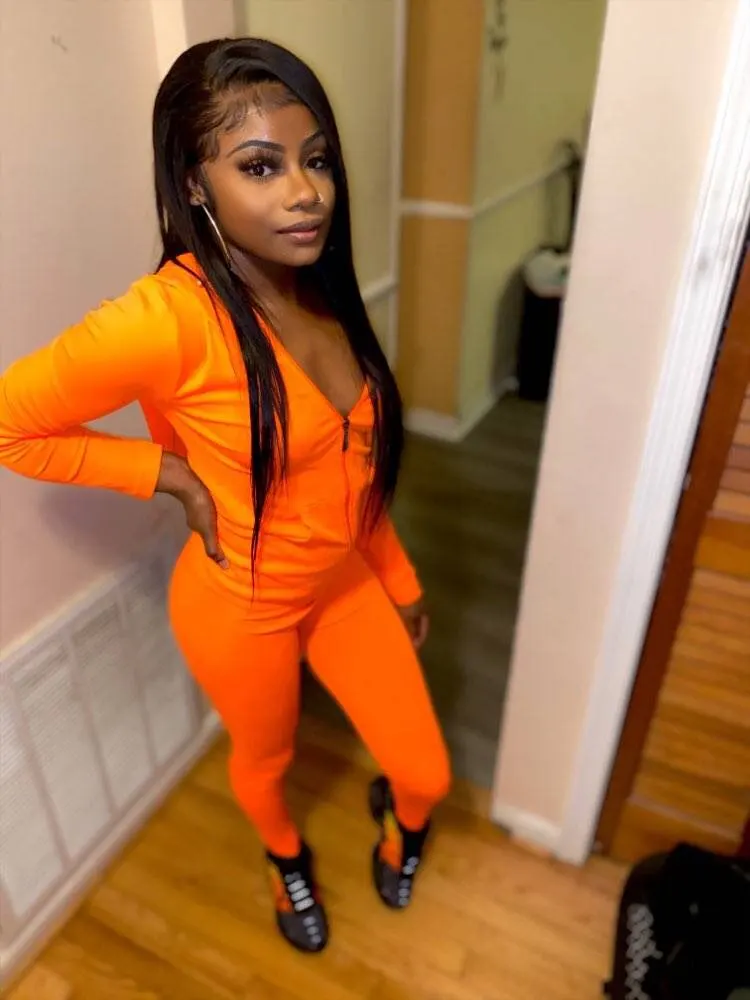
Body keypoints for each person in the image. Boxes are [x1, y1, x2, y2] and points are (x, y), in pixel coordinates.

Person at [0, 38, 451, 953]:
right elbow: (11, 425)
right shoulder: (163, 320)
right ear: (194, 184)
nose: (306, 192)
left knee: (426, 774)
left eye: (316, 159)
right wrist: (162, 473)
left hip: (343, 582)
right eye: (261, 165)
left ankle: (400, 825)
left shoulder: (315, 285)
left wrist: (398, 579)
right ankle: (285, 859)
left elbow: (354, 474)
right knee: (267, 761)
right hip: (240, 606)